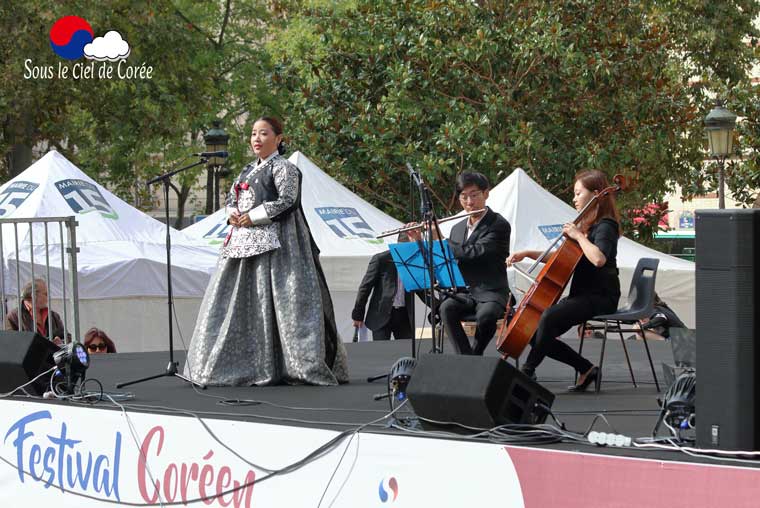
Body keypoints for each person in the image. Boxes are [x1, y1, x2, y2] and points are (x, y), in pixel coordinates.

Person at [183, 116, 348, 386]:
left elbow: (288, 201)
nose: (256, 139)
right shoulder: (246, 170)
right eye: (253, 134)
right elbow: (231, 198)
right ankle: (240, 364)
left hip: (281, 246)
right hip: (243, 245)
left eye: (263, 133)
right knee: (239, 302)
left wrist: (254, 216)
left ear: (279, 139)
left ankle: (295, 365)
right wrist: (233, 215)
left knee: (287, 302)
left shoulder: (285, 169)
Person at [508, 170, 621, 391]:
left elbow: (598, 259)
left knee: (548, 317)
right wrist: (528, 253)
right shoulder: (588, 227)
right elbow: (567, 257)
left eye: (578, 193)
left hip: (601, 296)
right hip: (583, 294)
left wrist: (578, 235)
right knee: (533, 326)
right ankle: (586, 368)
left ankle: (527, 372)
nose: (574, 198)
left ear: (596, 194)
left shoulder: (606, 226)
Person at [410, 172, 511, 355]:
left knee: (486, 316)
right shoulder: (457, 228)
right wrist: (420, 240)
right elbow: (443, 260)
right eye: (464, 197)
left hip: (491, 290)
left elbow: (473, 252)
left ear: (486, 193)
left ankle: (475, 353)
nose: (469, 202)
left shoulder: (498, 224)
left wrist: (440, 238)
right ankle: (465, 357)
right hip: (464, 292)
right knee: (446, 308)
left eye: (474, 195)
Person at [352, 232, 415, 341]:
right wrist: (358, 315)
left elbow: (420, 290)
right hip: (380, 315)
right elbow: (365, 287)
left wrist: (437, 307)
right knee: (381, 352)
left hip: (404, 316)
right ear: (398, 245)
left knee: (406, 351)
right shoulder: (381, 259)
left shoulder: (413, 262)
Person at [5, 278, 66, 345]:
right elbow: (10, 343)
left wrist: (61, 341)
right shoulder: (13, 317)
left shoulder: (53, 315)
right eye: (45, 294)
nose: (48, 297)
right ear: (33, 295)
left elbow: (66, 336)